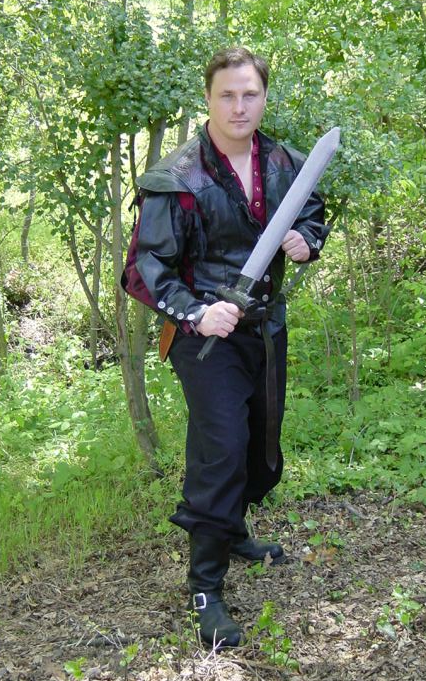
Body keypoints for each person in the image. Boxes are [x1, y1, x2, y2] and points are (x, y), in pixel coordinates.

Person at [128, 47, 329, 648]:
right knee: (220, 450)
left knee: (261, 446)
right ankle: (206, 587)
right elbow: (143, 270)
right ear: (209, 99)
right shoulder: (178, 178)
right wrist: (197, 311)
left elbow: (313, 212)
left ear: (264, 97)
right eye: (227, 95)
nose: (239, 106)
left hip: (265, 327)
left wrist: (306, 239)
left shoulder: (284, 162)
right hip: (204, 340)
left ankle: (234, 529)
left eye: (250, 94)